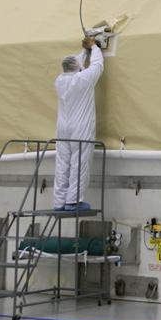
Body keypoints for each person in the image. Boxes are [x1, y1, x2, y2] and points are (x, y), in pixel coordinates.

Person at [54, 36, 104, 211]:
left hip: (62, 129)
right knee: (79, 162)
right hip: (80, 128)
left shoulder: (59, 81)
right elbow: (97, 65)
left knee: (62, 163)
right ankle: (73, 202)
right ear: (78, 67)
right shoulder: (83, 79)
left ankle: (59, 202)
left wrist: (84, 51)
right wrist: (94, 48)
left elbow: (74, 64)